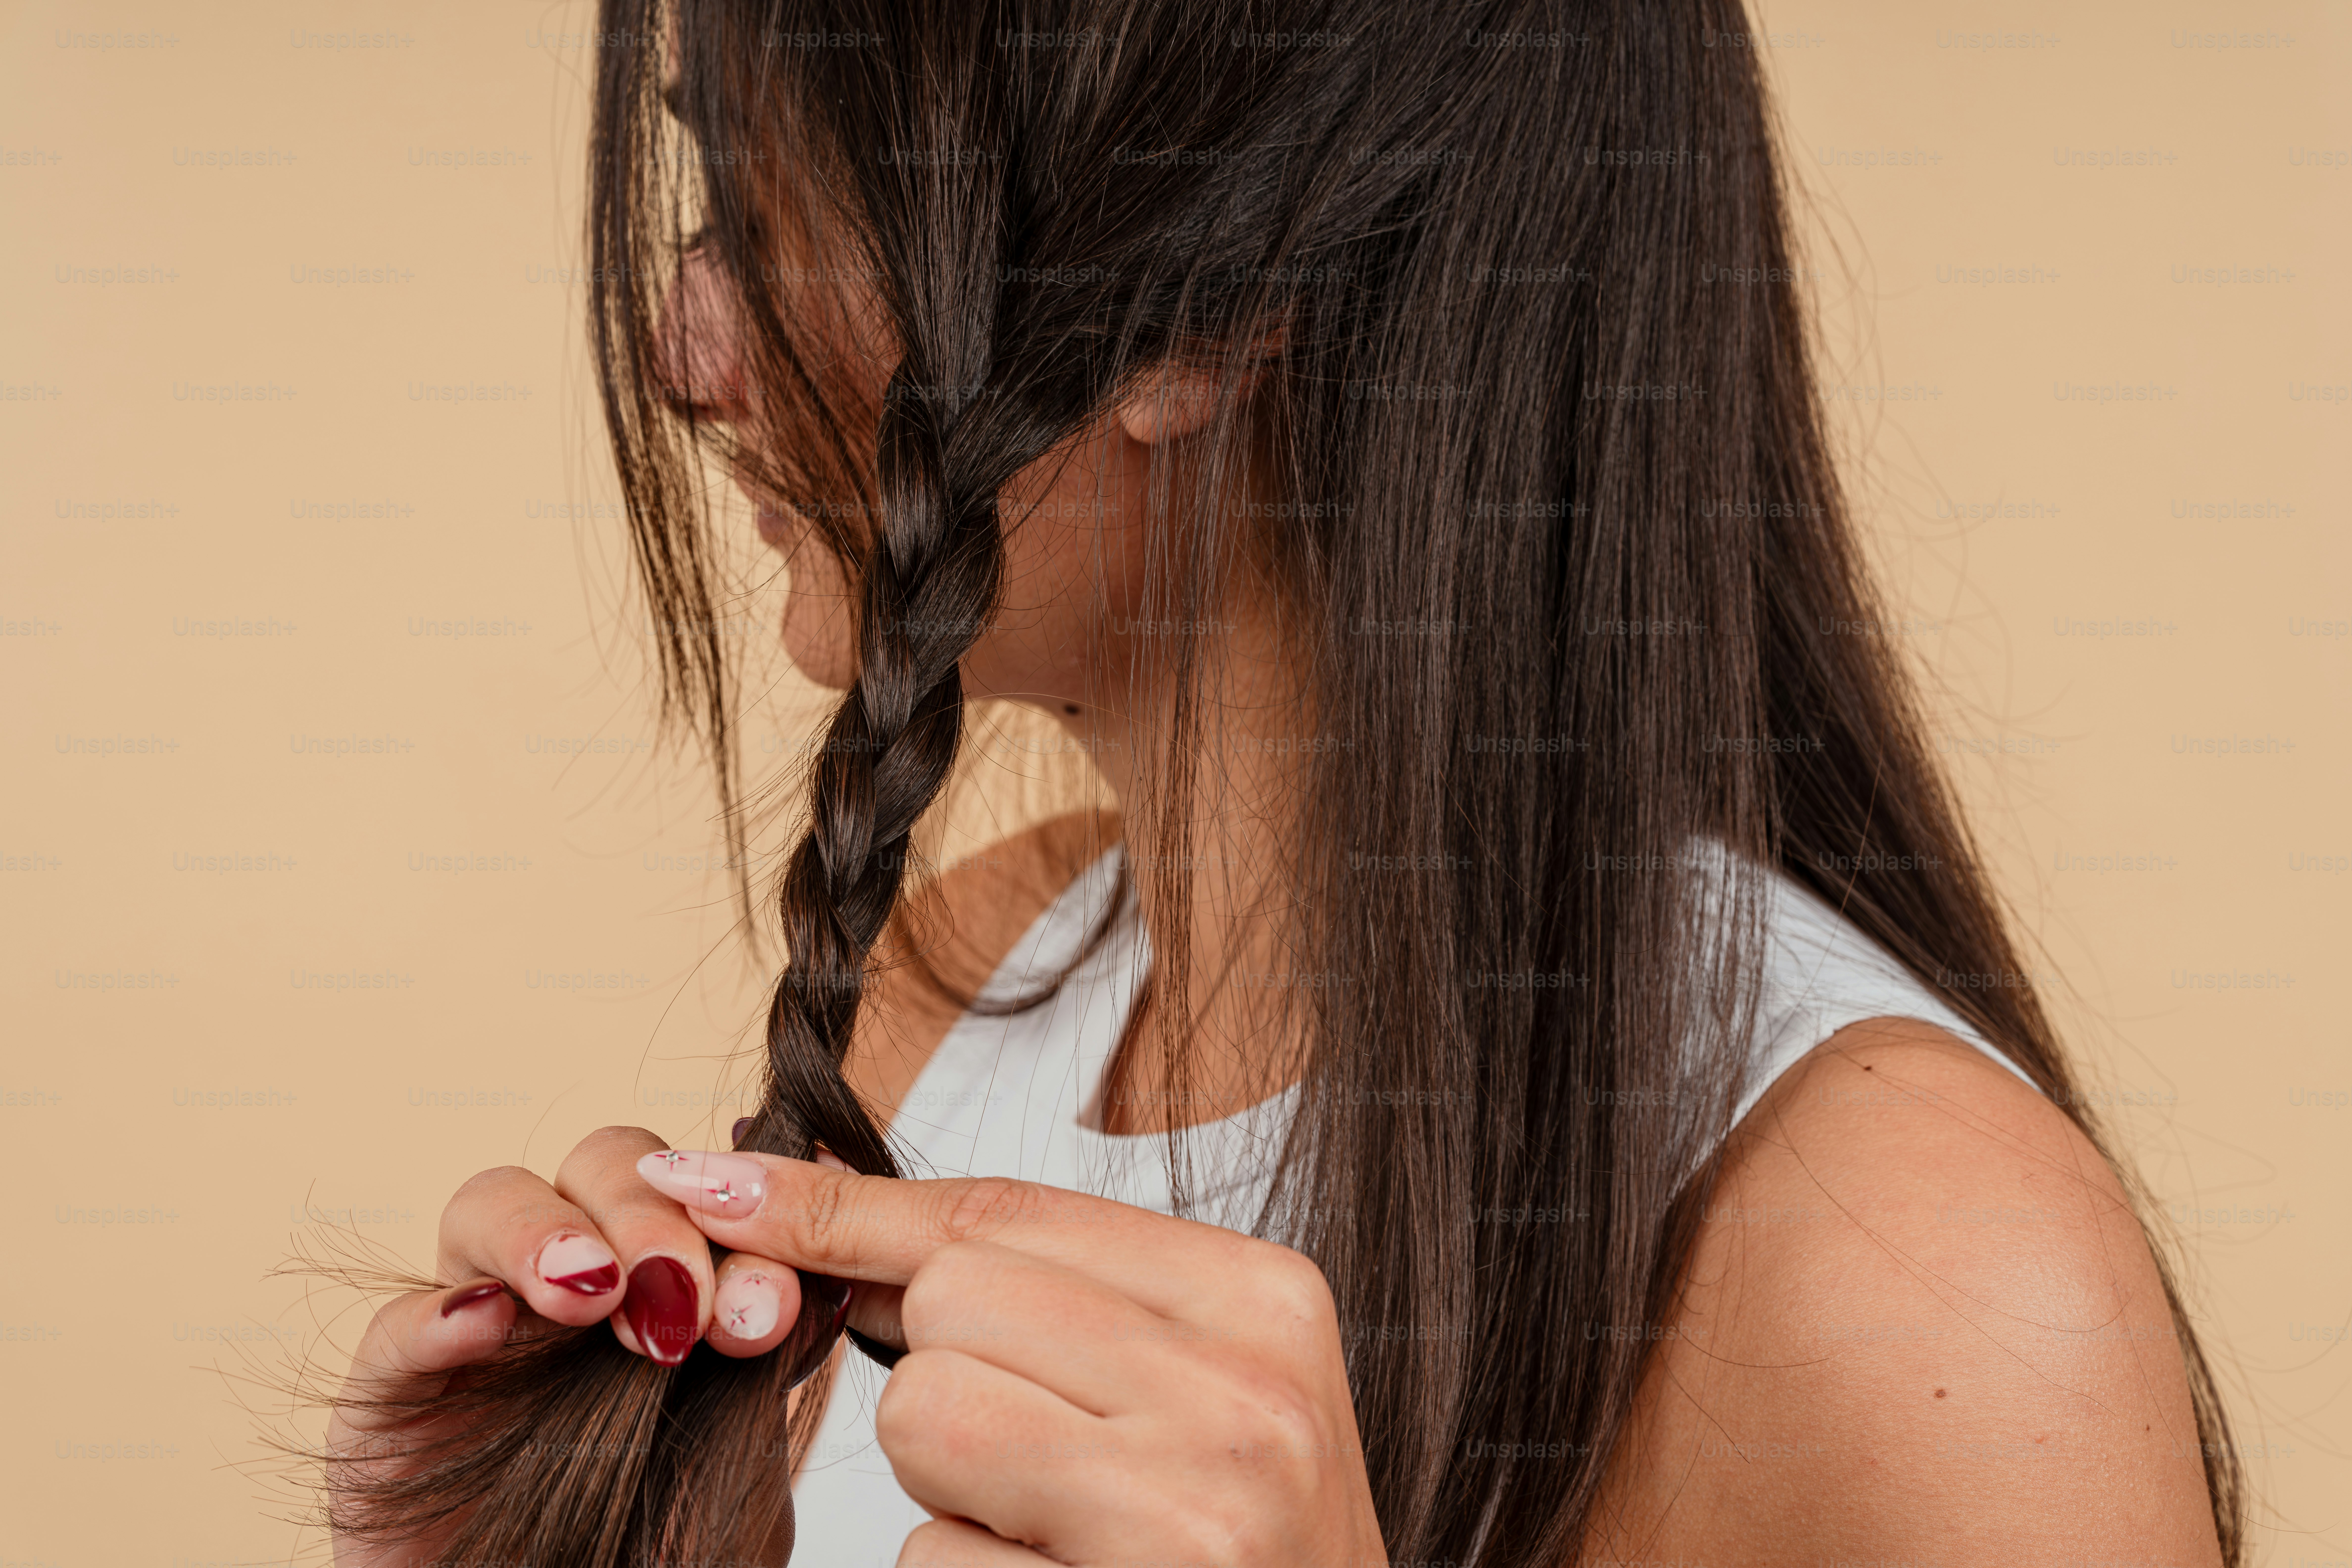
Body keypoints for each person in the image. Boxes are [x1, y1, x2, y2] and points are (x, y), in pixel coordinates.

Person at [322, 3, 2240, 1564]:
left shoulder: (1922, 1281)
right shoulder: (975, 981)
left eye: (774, 212)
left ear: (1203, 301)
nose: (682, 344)